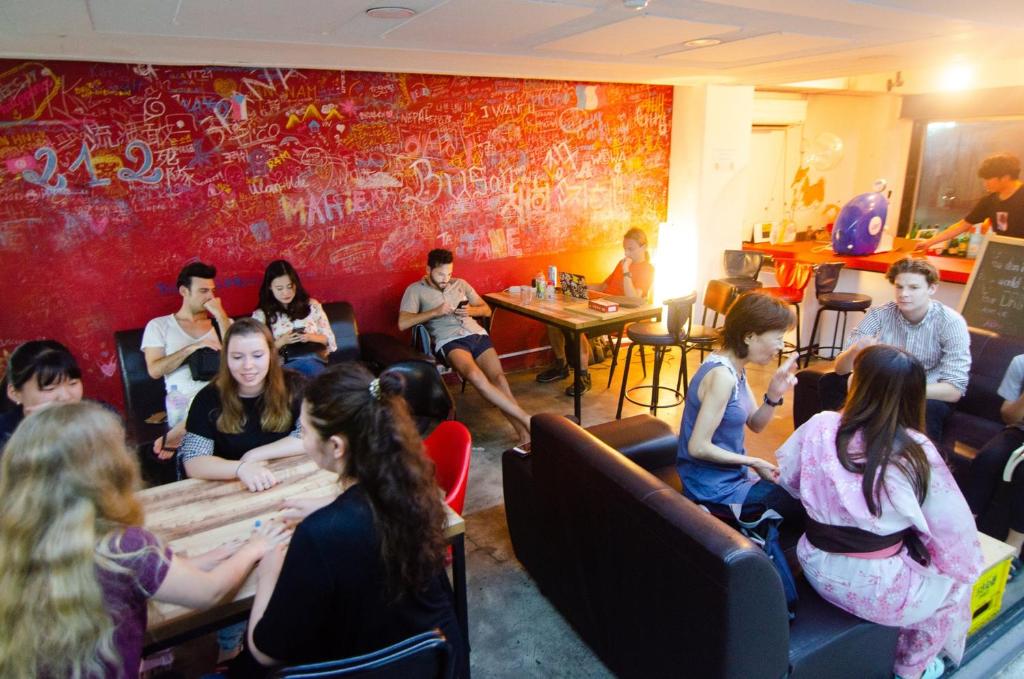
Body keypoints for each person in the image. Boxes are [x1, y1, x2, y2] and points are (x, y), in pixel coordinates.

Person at [0, 401, 289, 679]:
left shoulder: (16, 539)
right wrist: (254, 548)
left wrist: (200, 560)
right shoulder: (122, 545)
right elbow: (208, 593)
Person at [243, 364, 468, 677]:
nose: (303, 440)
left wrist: (268, 571)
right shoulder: (414, 492)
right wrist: (333, 507)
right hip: (440, 664)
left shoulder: (318, 535)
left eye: (304, 431)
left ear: (336, 446)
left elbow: (266, 651)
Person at [775, 345, 983, 679]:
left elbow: (789, 479)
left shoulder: (820, 424)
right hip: (875, 590)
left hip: (814, 563)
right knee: (957, 580)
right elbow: (954, 533)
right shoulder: (914, 450)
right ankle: (910, 666)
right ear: (915, 397)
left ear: (856, 383)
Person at [676, 292, 804, 524]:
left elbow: (755, 423)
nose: (780, 346)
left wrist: (774, 394)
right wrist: (753, 461)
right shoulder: (721, 376)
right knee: (806, 504)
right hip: (711, 489)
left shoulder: (736, 369)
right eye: (777, 338)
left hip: (734, 478)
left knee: (803, 494)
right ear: (749, 336)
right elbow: (697, 447)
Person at [823, 258, 970, 443]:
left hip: (923, 391)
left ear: (932, 288)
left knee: (929, 409)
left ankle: (920, 466)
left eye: (914, 288)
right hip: (879, 386)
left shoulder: (950, 322)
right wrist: (854, 350)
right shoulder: (880, 313)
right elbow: (840, 369)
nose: (904, 294)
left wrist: (896, 389)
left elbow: (954, 390)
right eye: (899, 287)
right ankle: (831, 445)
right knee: (830, 382)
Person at [399, 248, 530, 443]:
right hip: (450, 340)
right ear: (428, 270)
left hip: (475, 333)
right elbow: (403, 323)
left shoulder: (460, 284)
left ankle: (523, 433)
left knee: (500, 379)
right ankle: (527, 419)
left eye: (449, 273)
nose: (446, 278)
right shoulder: (415, 290)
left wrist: (470, 310)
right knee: (475, 376)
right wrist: (434, 312)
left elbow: (485, 310)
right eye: (441, 274)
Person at [180, 318, 304, 493]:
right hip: (233, 488)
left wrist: (255, 455)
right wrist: (241, 468)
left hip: (292, 480)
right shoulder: (207, 398)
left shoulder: (295, 385)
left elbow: (312, 435)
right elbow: (194, 461)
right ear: (226, 358)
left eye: (257, 355)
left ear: (271, 354)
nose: (248, 366)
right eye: (237, 357)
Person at [536, 227, 655, 396]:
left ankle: (583, 376)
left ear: (644, 247)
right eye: (624, 248)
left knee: (578, 327)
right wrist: (580, 286)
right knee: (553, 321)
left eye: (631, 249)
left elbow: (634, 298)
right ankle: (561, 365)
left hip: (620, 314)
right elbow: (604, 286)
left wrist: (627, 270)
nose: (626, 253)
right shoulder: (621, 265)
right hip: (603, 305)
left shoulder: (647, 269)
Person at [143, 261, 233, 459]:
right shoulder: (159, 326)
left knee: (231, 392)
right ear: (184, 291)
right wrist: (191, 349)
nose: (210, 297)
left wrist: (220, 315)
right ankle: (186, 428)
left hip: (223, 394)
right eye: (203, 291)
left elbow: (235, 358)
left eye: (212, 290)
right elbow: (155, 370)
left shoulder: (223, 323)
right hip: (182, 401)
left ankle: (182, 433)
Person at [963, 352, 1024, 567]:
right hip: (1019, 429)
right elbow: (1008, 416)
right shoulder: (1020, 362)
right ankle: (966, 527)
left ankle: (1015, 545)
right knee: (989, 458)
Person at [915, 153, 1024, 251]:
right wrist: (929, 242)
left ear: (1005, 177)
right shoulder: (989, 201)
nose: (985, 183)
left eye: (988, 179)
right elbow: (963, 225)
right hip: (1006, 253)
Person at [252, 259, 336, 377]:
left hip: (315, 362)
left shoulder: (312, 306)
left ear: (295, 285)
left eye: (289, 286)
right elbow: (256, 354)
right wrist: (282, 341)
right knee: (308, 368)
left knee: (310, 366)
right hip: (284, 370)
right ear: (270, 287)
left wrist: (309, 337)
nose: (286, 293)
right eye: (280, 288)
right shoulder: (261, 315)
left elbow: (329, 340)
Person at [1, 339, 83, 449]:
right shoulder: (3, 431)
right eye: (50, 388)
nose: (65, 397)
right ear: (15, 393)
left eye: (73, 383)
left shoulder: (102, 415)